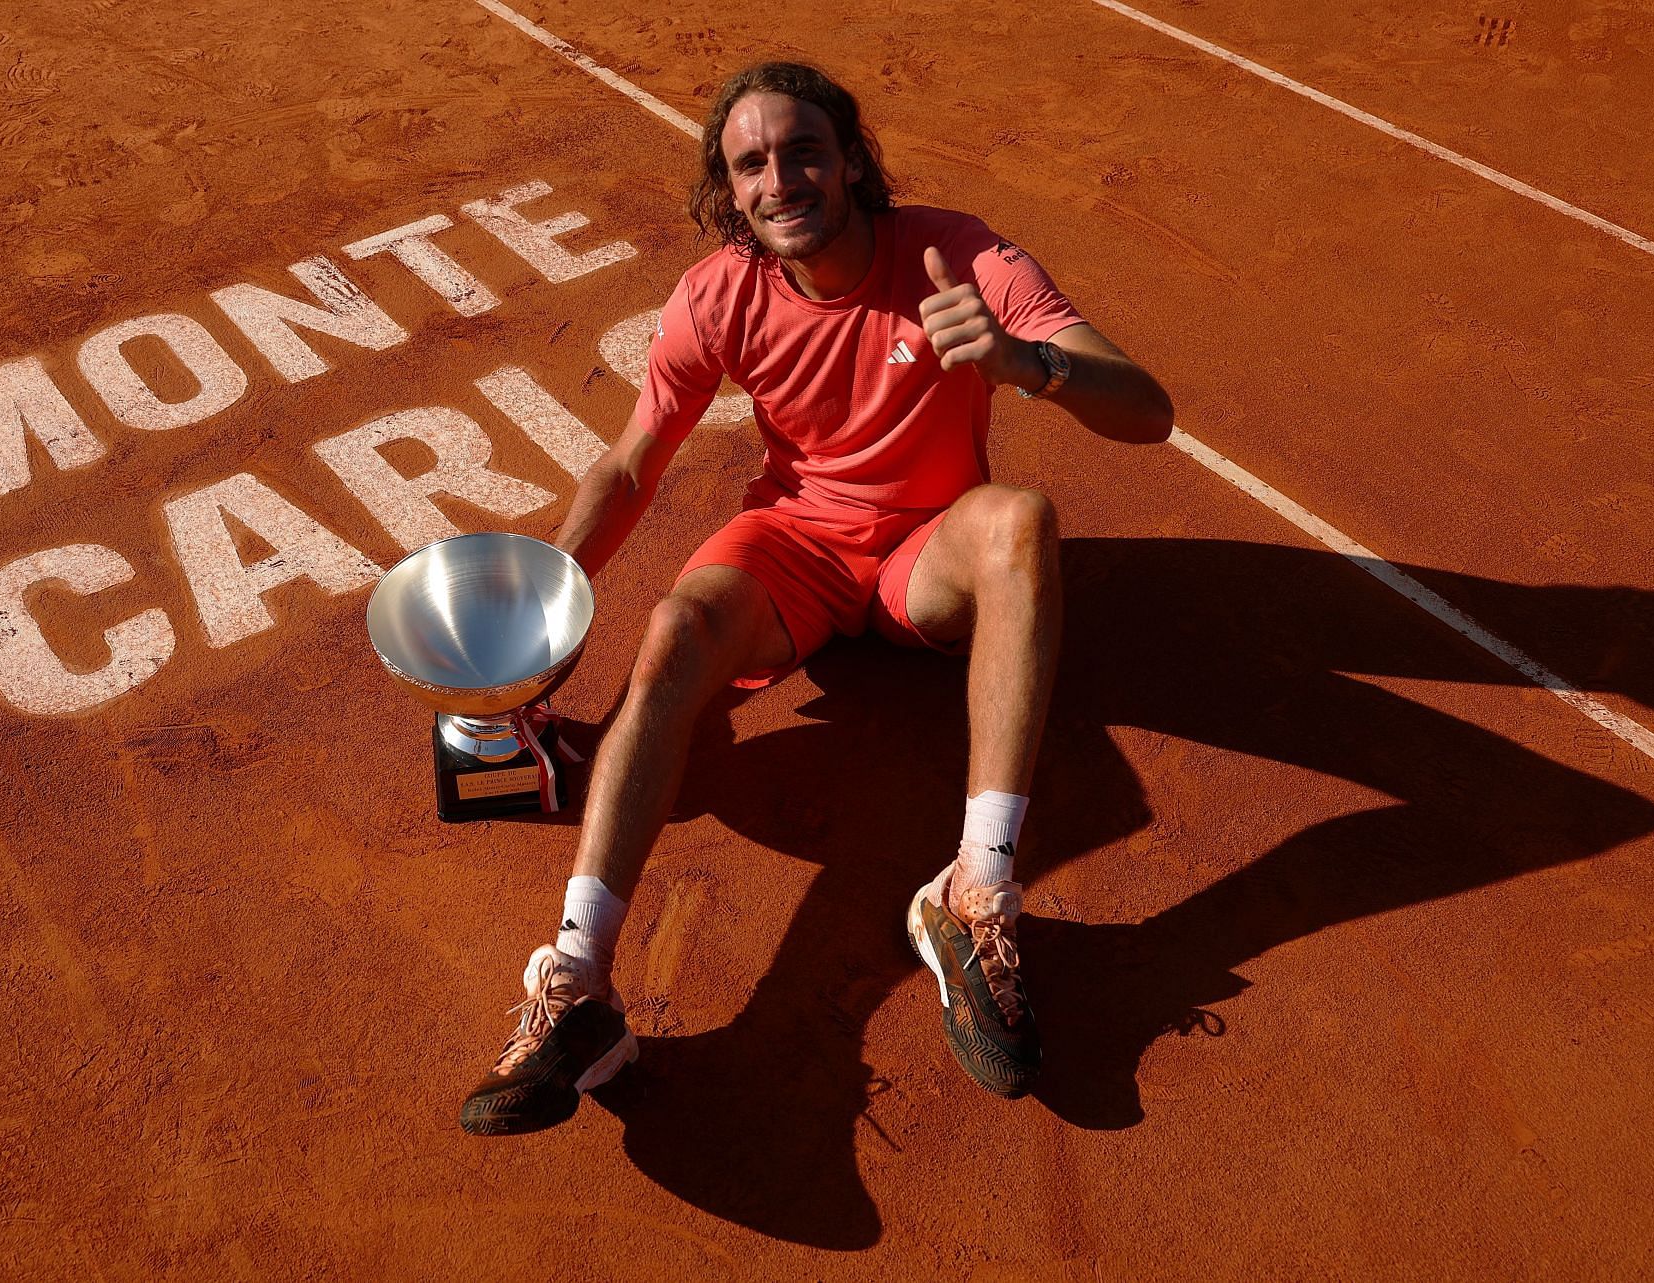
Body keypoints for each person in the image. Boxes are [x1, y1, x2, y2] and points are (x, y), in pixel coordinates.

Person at [457, 61, 1174, 1136]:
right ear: (729, 190)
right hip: (796, 543)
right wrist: (543, 604)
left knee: (1022, 518)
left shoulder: (960, 255)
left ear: (850, 159)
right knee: (677, 624)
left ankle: (971, 892)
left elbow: (1149, 411)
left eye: (802, 151)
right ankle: (580, 980)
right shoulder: (720, 291)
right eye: (751, 164)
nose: (779, 179)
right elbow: (631, 462)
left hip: (925, 556)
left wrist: (1029, 363)